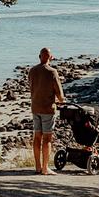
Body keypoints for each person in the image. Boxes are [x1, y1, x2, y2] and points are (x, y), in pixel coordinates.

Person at [27, 47, 66, 175]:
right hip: (48, 109)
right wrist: (61, 100)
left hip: (35, 108)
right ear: (50, 57)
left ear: (39, 56)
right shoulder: (52, 72)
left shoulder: (32, 71)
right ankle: (45, 168)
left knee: (37, 137)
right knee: (47, 138)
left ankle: (37, 166)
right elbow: (60, 95)